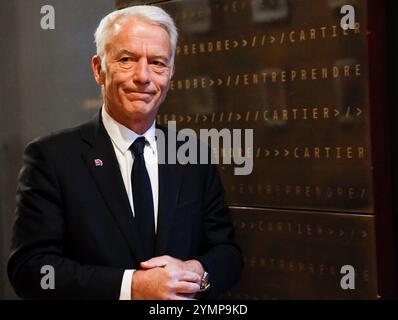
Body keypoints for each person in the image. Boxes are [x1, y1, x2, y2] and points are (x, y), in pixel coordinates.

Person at [7, 5, 242, 300]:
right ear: (98, 69)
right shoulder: (51, 158)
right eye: (127, 59)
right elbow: (30, 270)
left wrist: (195, 272)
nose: (143, 76)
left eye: (157, 62)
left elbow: (228, 254)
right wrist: (133, 287)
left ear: (170, 73)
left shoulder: (193, 154)